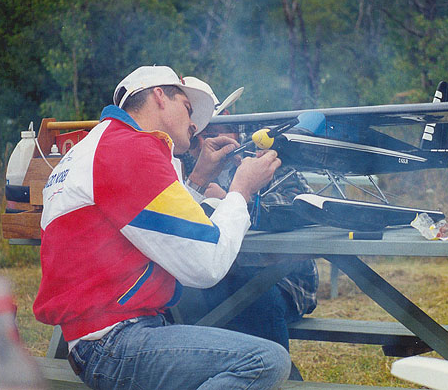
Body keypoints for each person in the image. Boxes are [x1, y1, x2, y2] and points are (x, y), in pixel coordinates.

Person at [33, 65, 291, 389]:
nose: (195, 124)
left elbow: (151, 228)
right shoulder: (130, 149)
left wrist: (197, 179)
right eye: (187, 108)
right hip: (113, 342)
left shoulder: (97, 146)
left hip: (93, 336)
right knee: (265, 361)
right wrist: (242, 189)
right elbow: (206, 264)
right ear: (159, 97)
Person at [178, 112, 319, 356]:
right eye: (196, 138)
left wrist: (229, 199)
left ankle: (276, 375)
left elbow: (298, 206)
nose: (204, 144)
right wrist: (195, 186)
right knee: (183, 296)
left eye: (213, 134)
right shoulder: (187, 171)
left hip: (284, 280)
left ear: (236, 133)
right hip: (221, 279)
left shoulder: (264, 157)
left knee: (252, 296)